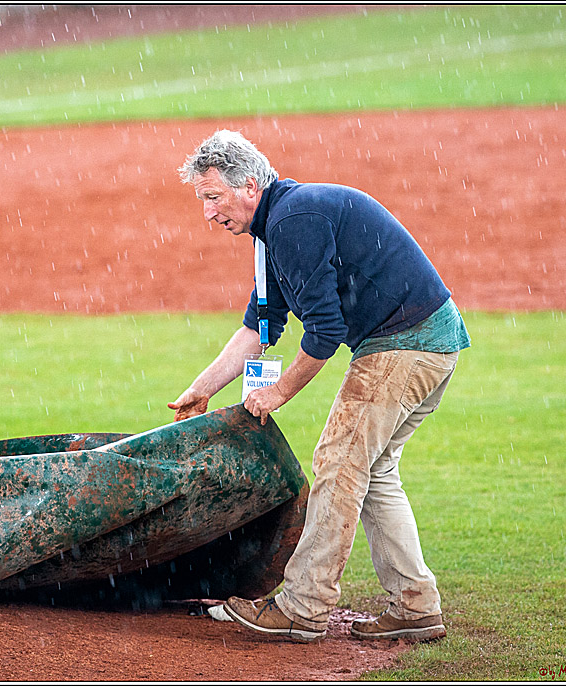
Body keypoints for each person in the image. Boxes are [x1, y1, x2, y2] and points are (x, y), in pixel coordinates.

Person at [168, 129, 470, 643]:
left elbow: (325, 331)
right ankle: (416, 605)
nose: (208, 212)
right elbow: (259, 328)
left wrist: (277, 392)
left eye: (213, 197)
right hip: (428, 340)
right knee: (372, 472)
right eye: (202, 200)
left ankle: (304, 605)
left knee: (339, 459)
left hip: (406, 342)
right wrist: (204, 388)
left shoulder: (293, 220)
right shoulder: (276, 230)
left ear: (248, 186)